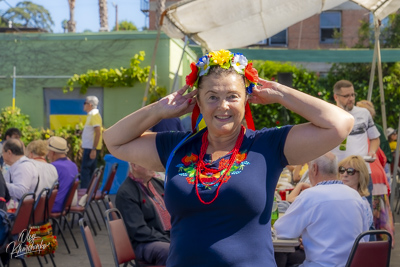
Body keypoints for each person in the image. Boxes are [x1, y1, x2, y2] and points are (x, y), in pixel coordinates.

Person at [103, 49, 354, 266]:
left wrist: (278, 92)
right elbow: (113, 140)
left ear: (247, 99)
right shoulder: (176, 147)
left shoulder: (267, 145)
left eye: (232, 96)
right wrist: (159, 108)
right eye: (212, 96)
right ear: (197, 102)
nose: (223, 106)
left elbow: (340, 124)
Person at [274, 152, 370, 267]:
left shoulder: (310, 195)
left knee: (278, 257)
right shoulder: (356, 196)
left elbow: (282, 231)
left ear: (314, 169)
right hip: (351, 264)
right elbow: (364, 237)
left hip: (320, 265)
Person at [331, 80, 380, 207]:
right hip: (339, 173)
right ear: (336, 97)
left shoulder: (364, 113)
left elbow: (375, 138)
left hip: (362, 172)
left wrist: (372, 151)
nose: (351, 99)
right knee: (340, 211)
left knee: (365, 212)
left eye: (353, 95)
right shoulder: (330, 114)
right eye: (346, 96)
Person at [116, 162, 170, 265]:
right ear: (134, 166)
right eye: (146, 161)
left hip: (166, 236)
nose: (152, 165)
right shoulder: (126, 193)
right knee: (169, 250)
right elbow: (138, 230)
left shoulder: (157, 183)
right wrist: (167, 239)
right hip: (144, 243)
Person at [339, 155, 394, 245]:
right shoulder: (339, 197)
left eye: (350, 171)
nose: (344, 174)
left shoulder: (359, 203)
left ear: (361, 175)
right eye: (341, 170)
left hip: (351, 251)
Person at [46, 136, 79, 212]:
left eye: (48, 151)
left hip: (55, 205)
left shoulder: (53, 166)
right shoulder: (73, 165)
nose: (47, 154)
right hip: (66, 203)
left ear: (52, 152)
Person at [3, 138, 38, 203]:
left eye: (3, 152)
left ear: (9, 153)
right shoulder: (17, 165)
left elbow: (21, 192)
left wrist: (3, 184)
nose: (2, 155)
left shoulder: (23, 167)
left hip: (18, 209)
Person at [81, 96, 102, 188]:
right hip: (90, 147)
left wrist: (94, 148)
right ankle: (90, 191)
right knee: (91, 171)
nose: (83, 105)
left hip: (91, 148)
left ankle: (85, 191)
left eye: (84, 103)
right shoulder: (92, 115)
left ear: (90, 104)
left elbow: (98, 132)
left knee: (86, 171)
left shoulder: (94, 115)